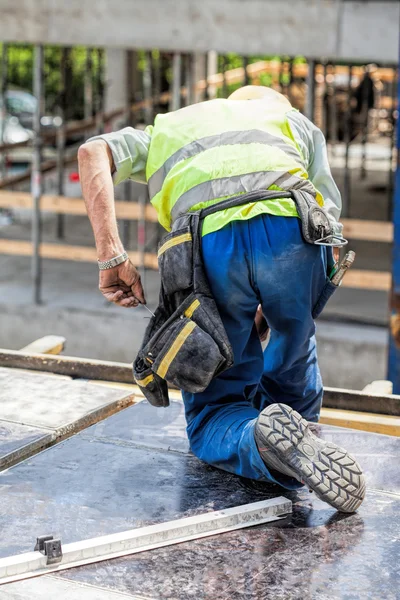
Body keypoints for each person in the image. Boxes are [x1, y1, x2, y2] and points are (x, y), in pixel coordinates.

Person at [78, 85, 365, 513]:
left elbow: (91, 151)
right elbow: (331, 230)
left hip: (207, 244)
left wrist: (111, 256)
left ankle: (258, 442)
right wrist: (284, 303)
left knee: (215, 403)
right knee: (294, 356)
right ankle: (296, 432)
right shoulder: (290, 121)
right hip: (292, 229)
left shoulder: (171, 127)